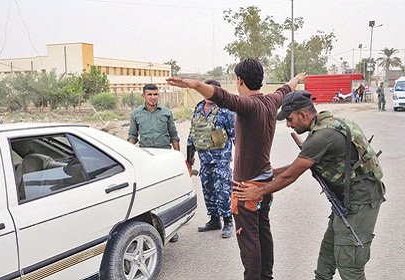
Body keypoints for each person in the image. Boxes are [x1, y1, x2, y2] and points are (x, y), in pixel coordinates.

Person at [167, 58, 306, 280]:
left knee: (249, 240)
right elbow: (285, 89)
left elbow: (221, 96)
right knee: (263, 233)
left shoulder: (248, 105)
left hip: (247, 188)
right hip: (265, 182)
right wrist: (297, 79)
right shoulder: (271, 101)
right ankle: (266, 276)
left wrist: (195, 85)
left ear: (240, 80)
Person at [233, 90, 386, 280]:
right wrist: (270, 173)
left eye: (290, 119)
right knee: (326, 261)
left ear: (303, 115)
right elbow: (300, 165)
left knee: (350, 267)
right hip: (346, 200)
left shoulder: (321, 136)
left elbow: (291, 175)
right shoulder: (330, 124)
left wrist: (258, 190)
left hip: (361, 202)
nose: (288, 125)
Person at [127, 84, 181, 242]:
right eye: (150, 94)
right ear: (143, 96)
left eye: (156, 94)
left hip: (165, 157)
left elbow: (174, 136)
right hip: (147, 159)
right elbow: (132, 136)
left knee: (169, 193)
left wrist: (178, 157)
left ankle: (172, 228)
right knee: (150, 195)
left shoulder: (166, 113)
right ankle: (153, 228)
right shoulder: (136, 114)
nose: (153, 97)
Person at [187, 79, 236, 238]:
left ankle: (228, 220)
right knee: (208, 189)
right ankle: (214, 219)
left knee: (223, 189)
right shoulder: (198, 108)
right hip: (204, 159)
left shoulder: (226, 110)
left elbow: (236, 136)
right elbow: (192, 132)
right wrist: (190, 155)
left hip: (221, 159)